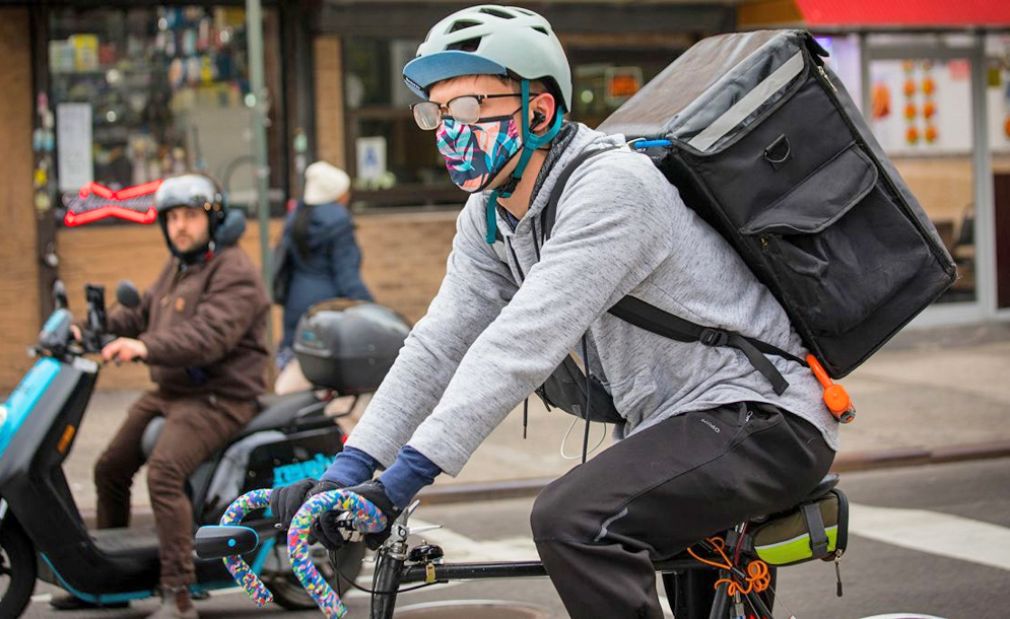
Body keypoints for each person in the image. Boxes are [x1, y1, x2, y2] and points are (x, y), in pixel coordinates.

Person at [270, 6, 839, 618]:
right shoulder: (491, 217)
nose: (446, 130)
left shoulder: (613, 188)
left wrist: (402, 481)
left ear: (538, 111)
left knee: (574, 521)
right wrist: (348, 470)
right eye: (435, 112)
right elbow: (437, 346)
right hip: (672, 427)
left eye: (468, 108)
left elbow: (518, 345)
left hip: (760, 418)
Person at [52, 174, 270, 618]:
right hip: (173, 390)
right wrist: (91, 328)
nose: (180, 227)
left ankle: (179, 592)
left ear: (213, 220)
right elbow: (140, 311)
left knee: (164, 473)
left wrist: (145, 347)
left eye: (190, 216)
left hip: (219, 396)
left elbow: (208, 336)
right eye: (172, 218)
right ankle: (105, 581)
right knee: (109, 467)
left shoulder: (234, 271)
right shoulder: (179, 266)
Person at [274, 161, 372, 393]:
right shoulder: (338, 221)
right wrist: (373, 313)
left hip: (295, 310)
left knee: (299, 386)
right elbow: (348, 279)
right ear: (338, 195)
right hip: (327, 313)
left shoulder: (296, 215)